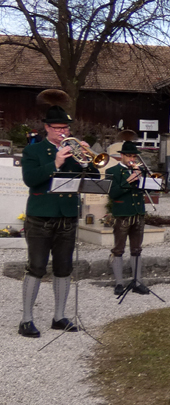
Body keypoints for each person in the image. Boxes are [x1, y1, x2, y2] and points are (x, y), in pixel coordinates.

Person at [18, 89, 95, 338]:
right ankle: (26, 319)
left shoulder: (74, 151)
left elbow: (93, 179)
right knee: (37, 267)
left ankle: (59, 317)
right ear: (47, 128)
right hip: (40, 216)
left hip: (67, 217)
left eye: (66, 128)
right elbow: (31, 180)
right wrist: (57, 163)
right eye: (59, 128)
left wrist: (87, 161)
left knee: (64, 268)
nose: (64, 132)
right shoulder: (34, 151)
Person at [106, 134, 150, 296]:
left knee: (137, 249)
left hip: (138, 213)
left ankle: (137, 282)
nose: (132, 159)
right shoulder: (113, 171)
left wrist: (143, 177)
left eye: (134, 156)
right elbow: (113, 193)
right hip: (122, 213)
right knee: (118, 248)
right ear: (122, 156)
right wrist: (130, 180)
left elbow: (148, 189)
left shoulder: (139, 170)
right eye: (129, 156)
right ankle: (119, 283)